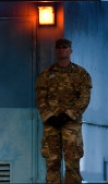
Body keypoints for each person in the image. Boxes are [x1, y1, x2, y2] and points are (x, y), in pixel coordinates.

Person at [35, 38, 93, 183]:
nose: (61, 50)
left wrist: (68, 115)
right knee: (52, 164)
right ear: (56, 50)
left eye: (65, 47)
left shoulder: (80, 74)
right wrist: (49, 117)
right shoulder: (46, 75)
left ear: (70, 51)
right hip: (51, 125)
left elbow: (84, 98)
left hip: (71, 125)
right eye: (59, 47)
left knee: (72, 165)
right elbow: (41, 98)